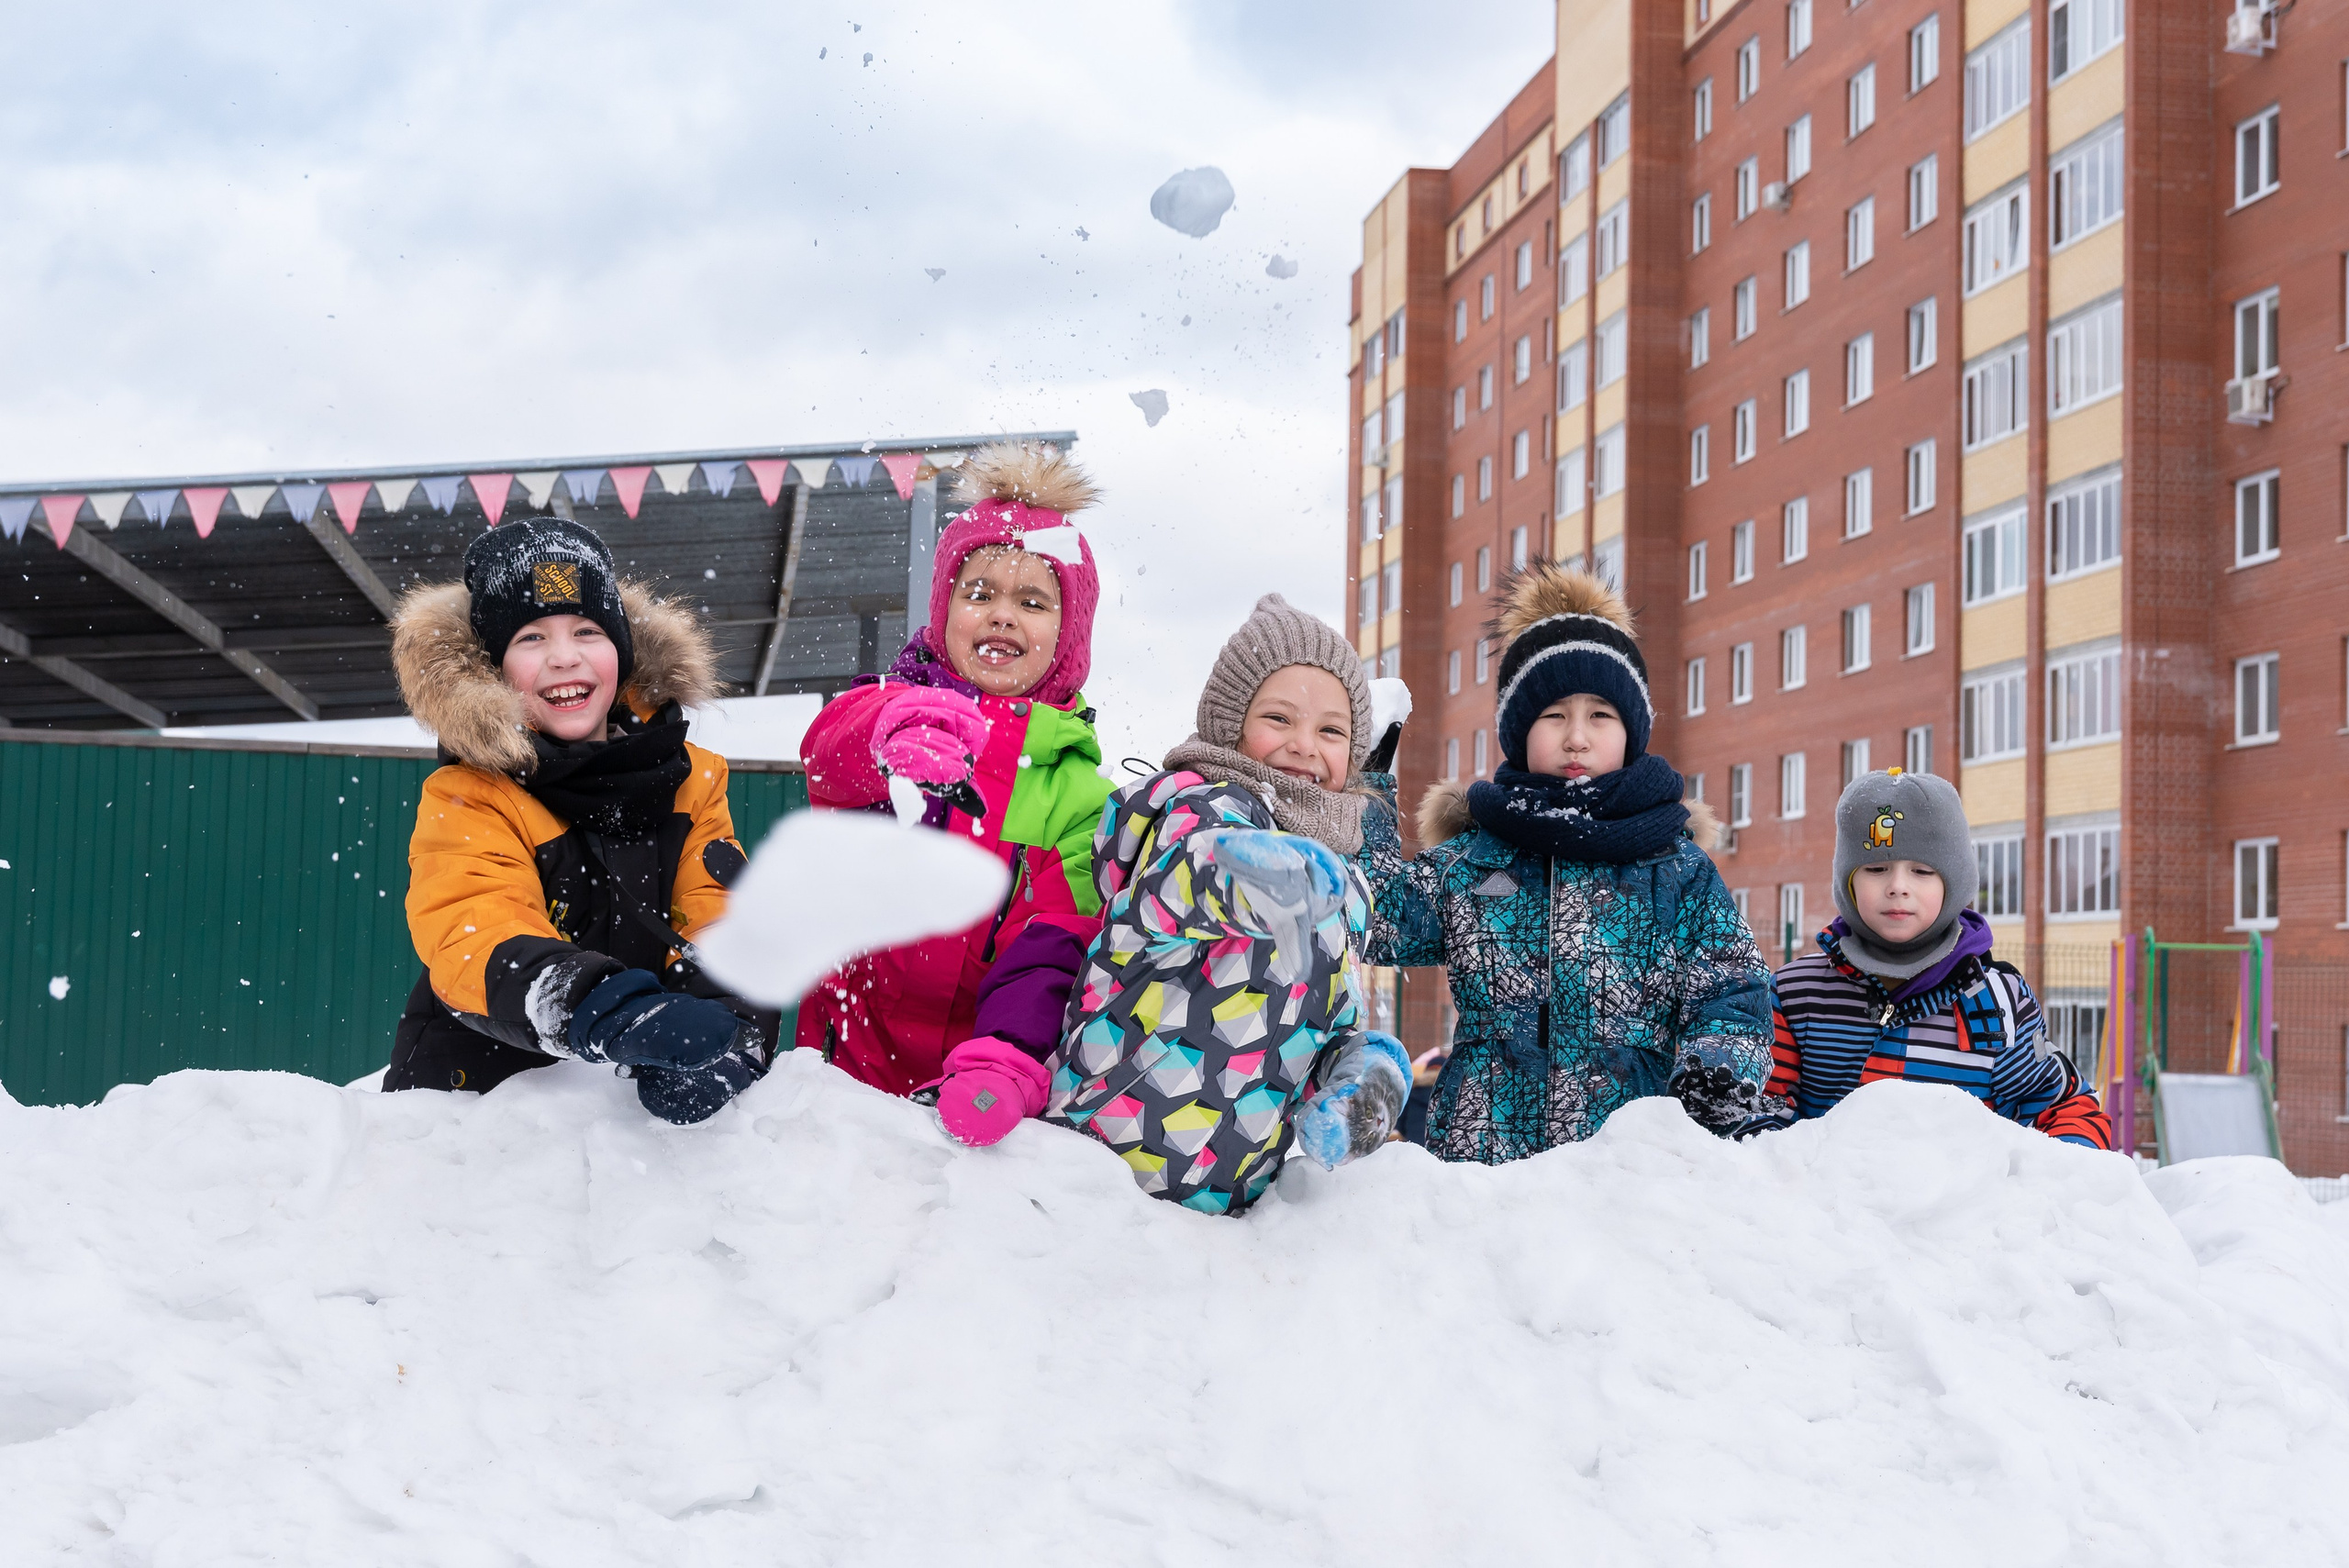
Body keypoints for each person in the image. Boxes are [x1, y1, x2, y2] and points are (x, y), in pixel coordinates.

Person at [1358, 562, 1777, 1163]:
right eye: (1554, 716)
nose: (1576, 736)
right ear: (1519, 731)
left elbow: (1732, 989)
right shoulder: (1478, 857)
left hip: (1625, 1172)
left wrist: (1712, 1080)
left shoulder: (1676, 869)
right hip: (1483, 1166)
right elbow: (1376, 917)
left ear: (1632, 732)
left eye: (1600, 715)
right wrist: (1367, 788)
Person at [386, 515, 775, 1124]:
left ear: (621, 650)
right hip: (475, 1112)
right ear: (492, 669)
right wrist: (613, 1009)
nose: (565, 658)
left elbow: (723, 923)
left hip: (627, 1126)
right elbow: (476, 934)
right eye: (531, 638)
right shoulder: (469, 794)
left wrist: (735, 1039)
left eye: (587, 630)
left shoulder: (692, 780)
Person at [1044, 595, 1410, 1212]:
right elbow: (1181, 888)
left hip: (1223, 1206)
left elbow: (1316, 1015)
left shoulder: (1347, 887)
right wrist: (1256, 875)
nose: (1304, 744)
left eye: (1330, 729)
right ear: (1230, 724)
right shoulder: (1201, 809)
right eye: (1278, 718)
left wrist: (1356, 1069)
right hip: (1090, 1171)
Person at [796, 440, 1115, 1141]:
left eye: (1032, 600)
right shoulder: (890, 708)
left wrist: (1003, 1057)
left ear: (1068, 639)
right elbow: (824, 757)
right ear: (944, 613)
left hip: (970, 1089)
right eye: (979, 594)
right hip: (835, 1078)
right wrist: (891, 729)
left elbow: (1054, 941)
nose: (1002, 615)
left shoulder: (1078, 795)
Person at [1756, 768, 2115, 1147]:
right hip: (1828, 1204)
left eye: (1922, 871)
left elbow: (2068, 1107)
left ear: (1955, 881)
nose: (1897, 887)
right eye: (1876, 869)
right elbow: (1760, 1121)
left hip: (1959, 1207)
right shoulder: (1797, 995)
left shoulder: (1998, 1005)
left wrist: (2052, 1189)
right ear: (1847, 881)